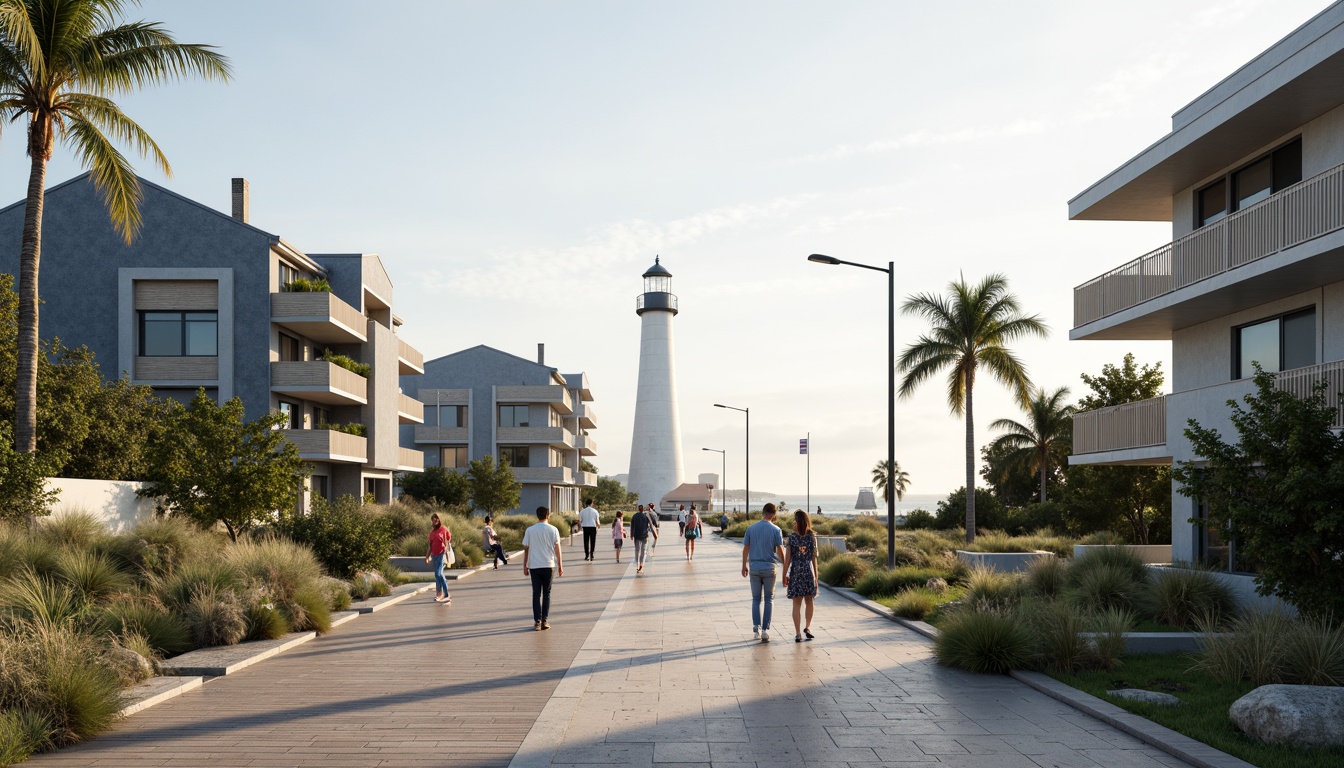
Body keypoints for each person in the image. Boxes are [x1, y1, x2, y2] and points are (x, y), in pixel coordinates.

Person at [740, 503, 785, 642]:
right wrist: (785, 566)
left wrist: (744, 565)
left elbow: (746, 548)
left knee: (756, 599)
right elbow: (780, 550)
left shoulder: (751, 528)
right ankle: (765, 630)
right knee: (769, 599)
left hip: (754, 567)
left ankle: (756, 629)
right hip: (770, 568)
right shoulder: (776, 530)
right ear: (773, 514)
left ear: (763, 512)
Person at [522, 506, 563, 631]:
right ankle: (545, 620)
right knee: (547, 593)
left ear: (537, 515)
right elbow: (557, 549)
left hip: (534, 566)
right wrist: (560, 565)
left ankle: (537, 622)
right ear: (548, 515)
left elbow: (526, 548)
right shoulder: (553, 530)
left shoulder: (530, 530)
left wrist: (525, 565)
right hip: (549, 565)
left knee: (536, 594)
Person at [782, 509, 819, 643]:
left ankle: (798, 633)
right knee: (809, 601)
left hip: (796, 571)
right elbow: (814, 558)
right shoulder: (812, 536)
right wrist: (816, 577)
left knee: (796, 603)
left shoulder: (791, 537)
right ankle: (807, 627)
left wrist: (784, 575)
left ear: (795, 521)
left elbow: (788, 559)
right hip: (808, 571)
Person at [423, 513, 452, 604]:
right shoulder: (432, 533)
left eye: (436, 519)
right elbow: (430, 547)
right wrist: (427, 557)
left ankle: (445, 595)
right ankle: (440, 594)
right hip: (435, 556)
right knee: (438, 575)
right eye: (433, 519)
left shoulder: (443, 530)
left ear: (439, 520)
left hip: (442, 554)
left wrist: (445, 545)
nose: (435, 521)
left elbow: (448, 539)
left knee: (438, 573)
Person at [630, 503, 659, 575]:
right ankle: (641, 564)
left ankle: (637, 564)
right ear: (643, 509)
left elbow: (632, 526)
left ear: (638, 509)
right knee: (643, 550)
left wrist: (631, 534)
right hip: (644, 535)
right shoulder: (646, 516)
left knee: (637, 550)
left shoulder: (635, 516)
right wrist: (655, 535)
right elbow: (651, 526)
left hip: (636, 535)